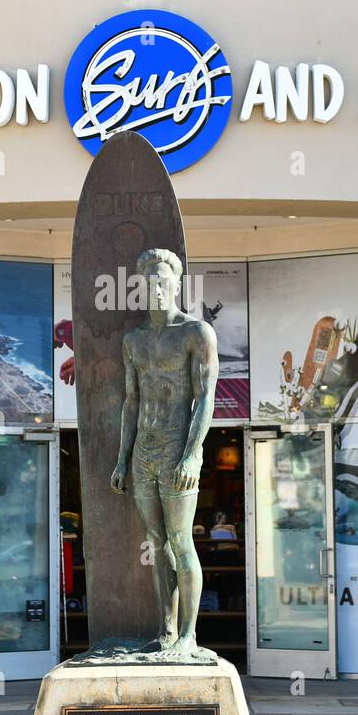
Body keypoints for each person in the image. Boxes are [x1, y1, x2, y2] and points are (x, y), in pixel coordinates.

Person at [111, 249, 219, 660]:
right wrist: (123, 458)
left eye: (163, 283)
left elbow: (206, 397)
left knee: (181, 540)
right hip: (144, 452)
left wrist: (194, 455)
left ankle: (189, 638)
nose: (156, 290)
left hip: (177, 450)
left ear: (176, 286)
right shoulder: (134, 341)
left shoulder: (196, 333)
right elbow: (131, 402)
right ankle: (166, 631)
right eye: (148, 284)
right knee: (157, 543)